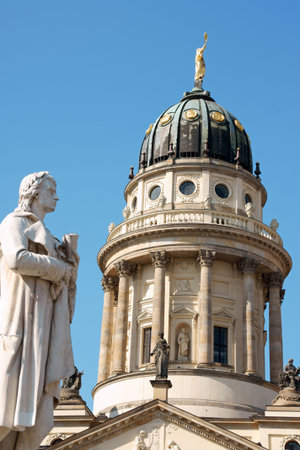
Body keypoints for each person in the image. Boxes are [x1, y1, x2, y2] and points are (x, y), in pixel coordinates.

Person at [0, 171, 79, 450]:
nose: (56, 196)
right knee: (9, 405)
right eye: (50, 190)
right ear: (33, 193)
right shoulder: (14, 223)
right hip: (19, 321)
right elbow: (16, 258)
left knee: (34, 412)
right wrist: (59, 268)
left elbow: (67, 308)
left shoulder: (54, 240)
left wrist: (71, 269)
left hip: (42, 327)